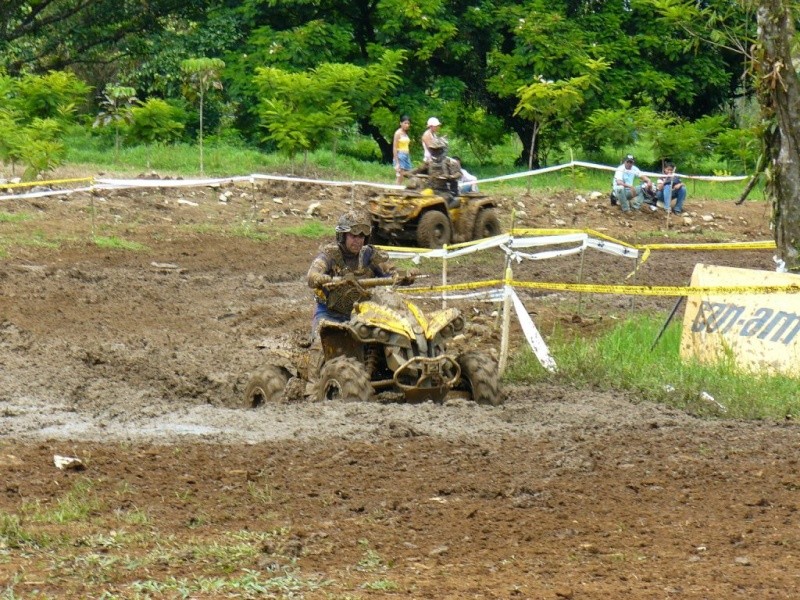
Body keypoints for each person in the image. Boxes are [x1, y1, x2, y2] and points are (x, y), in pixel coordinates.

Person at [307, 210, 414, 335]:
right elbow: (311, 275)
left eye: (361, 237)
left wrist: (406, 277)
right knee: (320, 344)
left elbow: (391, 274)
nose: (357, 240)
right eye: (353, 236)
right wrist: (319, 278)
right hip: (330, 313)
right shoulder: (330, 255)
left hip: (363, 314)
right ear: (342, 236)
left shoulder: (370, 255)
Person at [409, 137, 462, 205]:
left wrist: (450, 177)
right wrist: (409, 173)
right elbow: (419, 169)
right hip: (430, 189)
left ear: (443, 149)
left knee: (438, 203)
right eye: (433, 150)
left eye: (437, 150)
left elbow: (458, 174)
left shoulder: (451, 162)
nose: (435, 152)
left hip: (446, 191)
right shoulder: (429, 162)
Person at [392, 115, 412, 184]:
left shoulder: (405, 133)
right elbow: (395, 147)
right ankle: (395, 191)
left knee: (406, 175)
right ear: (401, 123)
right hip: (400, 155)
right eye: (405, 123)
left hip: (406, 155)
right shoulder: (398, 133)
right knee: (400, 176)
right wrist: (397, 162)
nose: (407, 125)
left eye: (408, 123)